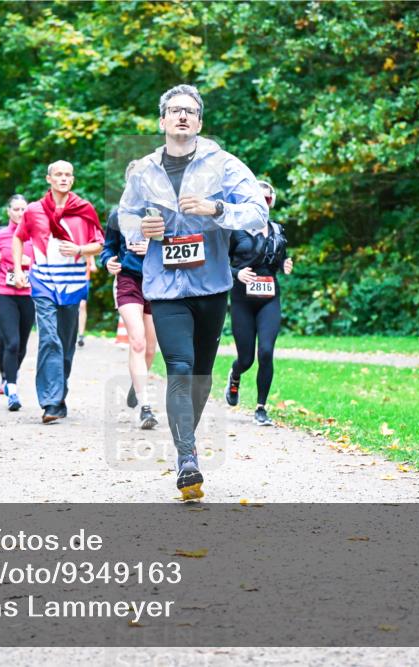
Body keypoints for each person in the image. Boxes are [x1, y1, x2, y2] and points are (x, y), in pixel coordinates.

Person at [118, 84, 267, 500]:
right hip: (165, 287)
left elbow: (257, 211)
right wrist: (140, 228)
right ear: (162, 120)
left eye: (190, 111)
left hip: (210, 285)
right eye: (175, 110)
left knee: (200, 373)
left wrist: (216, 209)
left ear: (199, 122)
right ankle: (187, 459)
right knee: (180, 367)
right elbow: (124, 215)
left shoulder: (224, 164)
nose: (182, 116)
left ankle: (188, 441)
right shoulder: (144, 170)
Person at [12, 161, 103, 424]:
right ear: (49, 179)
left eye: (68, 175)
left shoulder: (84, 209)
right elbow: (19, 237)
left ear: (72, 179)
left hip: (72, 284)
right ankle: (50, 402)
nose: (63, 178)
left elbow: (99, 244)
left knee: (66, 343)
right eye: (58, 174)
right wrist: (18, 269)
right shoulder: (34, 210)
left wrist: (79, 250)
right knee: (49, 338)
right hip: (43, 282)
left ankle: (58, 395)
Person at [224, 180, 293, 426]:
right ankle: (235, 375)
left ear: (271, 202)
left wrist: (285, 264)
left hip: (269, 299)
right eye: (258, 199)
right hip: (242, 300)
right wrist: (237, 273)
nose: (263, 203)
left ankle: (261, 408)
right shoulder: (236, 230)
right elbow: (219, 263)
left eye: (267, 199)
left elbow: (280, 257)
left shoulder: (277, 229)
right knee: (246, 359)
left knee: (265, 352)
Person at [101, 160, 158, 429]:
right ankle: (145, 408)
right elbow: (108, 248)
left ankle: (137, 385)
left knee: (150, 348)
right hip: (128, 281)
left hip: (157, 284)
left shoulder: (161, 213)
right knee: (137, 342)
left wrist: (153, 249)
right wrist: (108, 261)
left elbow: (175, 248)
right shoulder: (118, 215)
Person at [0, 195, 35, 411]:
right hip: (3, 293)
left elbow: (46, 263)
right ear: (9, 211)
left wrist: (30, 262)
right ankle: (11, 389)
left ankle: (11, 375)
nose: (20, 213)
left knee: (22, 346)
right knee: (11, 342)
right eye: (16, 209)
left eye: (24, 209)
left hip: (28, 295)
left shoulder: (35, 235)